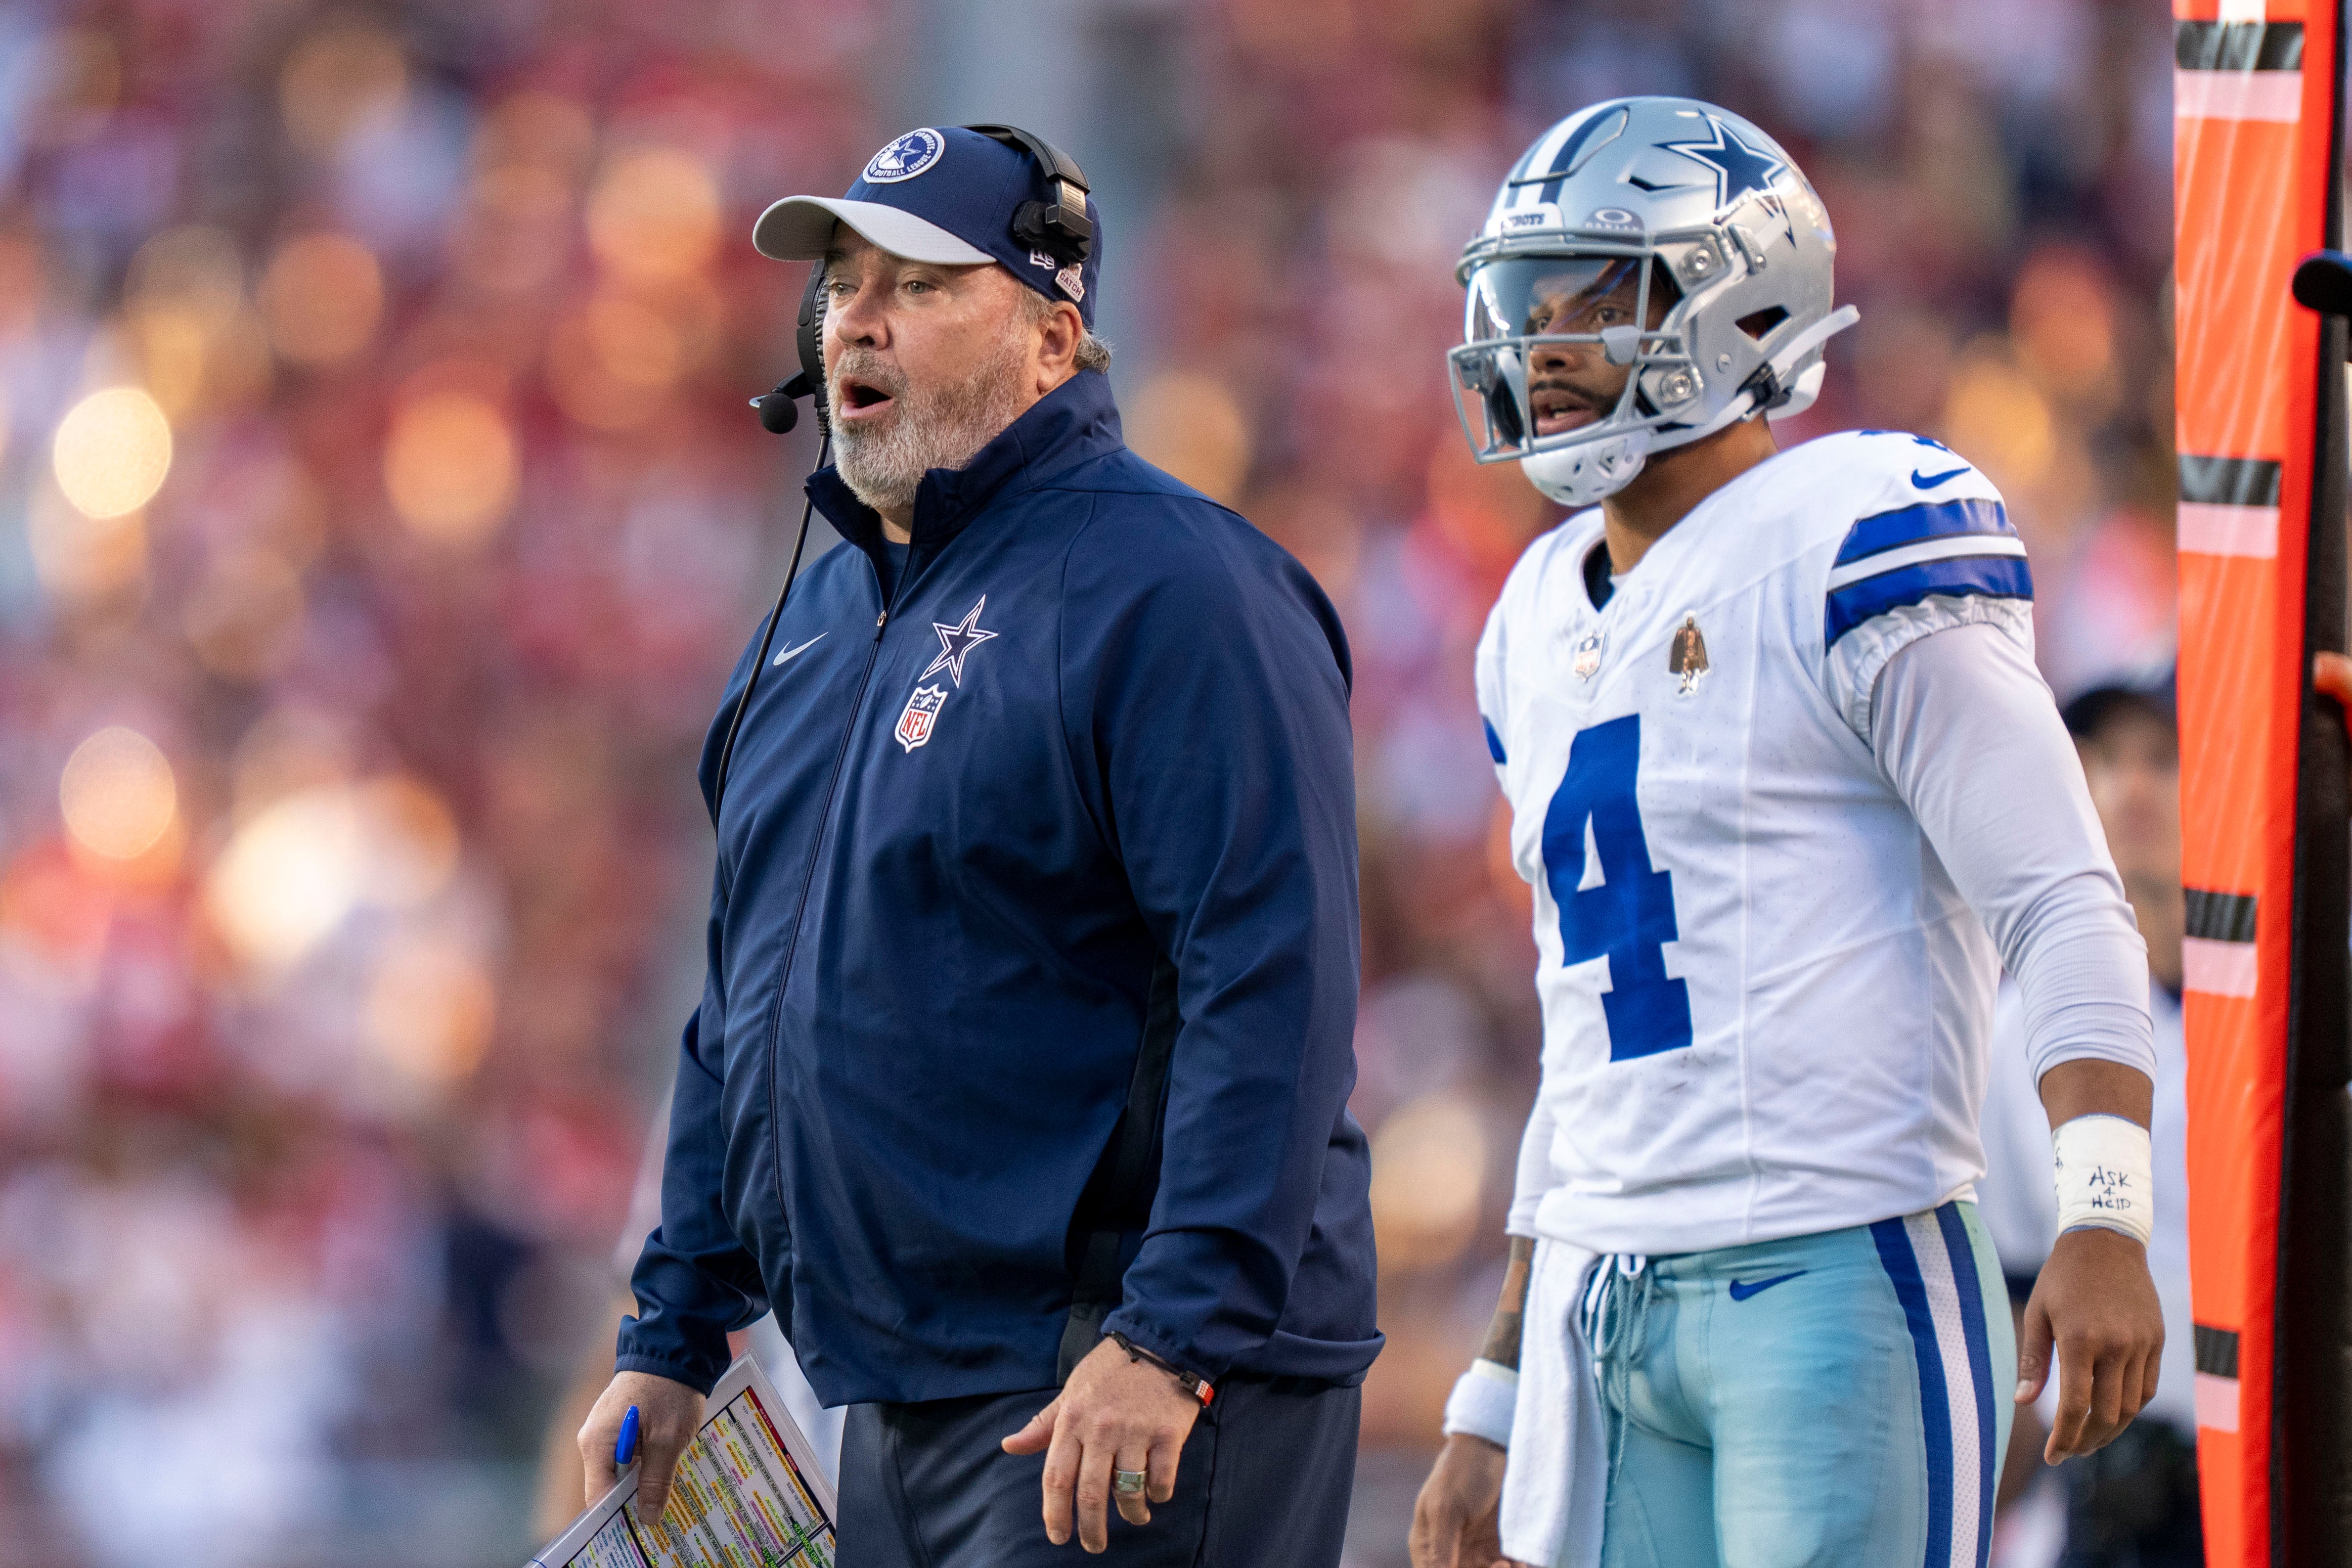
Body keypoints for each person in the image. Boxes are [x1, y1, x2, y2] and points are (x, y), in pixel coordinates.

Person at [574, 126, 1379, 1567]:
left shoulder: (1176, 588)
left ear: (1053, 339)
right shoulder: (809, 627)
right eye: (842, 283)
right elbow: (737, 1007)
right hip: (895, 1389)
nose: (856, 319)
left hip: (1115, 1380)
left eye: (922, 283)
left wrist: (1169, 1337)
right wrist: (674, 1329)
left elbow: (1270, 983)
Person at [1407, 97, 2165, 1568]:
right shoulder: (1532, 616)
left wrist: (2099, 1210)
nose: (1540, 344)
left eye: (1590, 297)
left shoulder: (1857, 528)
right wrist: (1494, 1387)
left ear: (1737, 296)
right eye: (1522, 301)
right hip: (1604, 1289)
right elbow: (1585, 1038)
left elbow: (2061, 897)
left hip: (1836, 1266)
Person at [1977, 675, 2200, 1567]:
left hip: (2281, 1485)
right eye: (2104, 759)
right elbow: (2010, 1294)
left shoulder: (2312, 1005)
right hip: (2103, 1506)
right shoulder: (2014, 1026)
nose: (2130, 787)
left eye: (2164, 757)